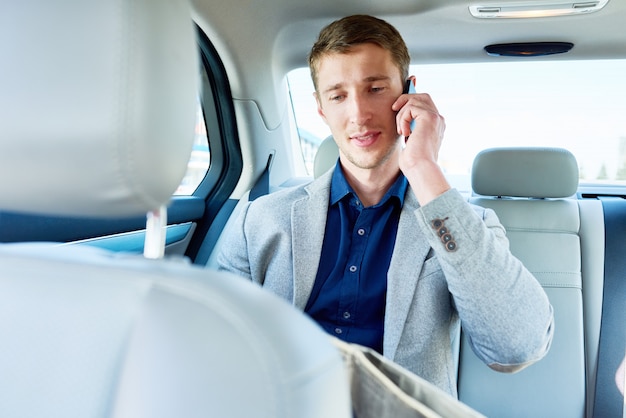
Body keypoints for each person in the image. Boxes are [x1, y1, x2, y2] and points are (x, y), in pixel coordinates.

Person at [217, 14, 554, 397]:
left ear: (408, 93)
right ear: (322, 109)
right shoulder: (258, 219)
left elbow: (517, 347)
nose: (358, 115)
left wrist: (423, 167)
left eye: (375, 88)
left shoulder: (464, 225)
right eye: (338, 96)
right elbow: (218, 349)